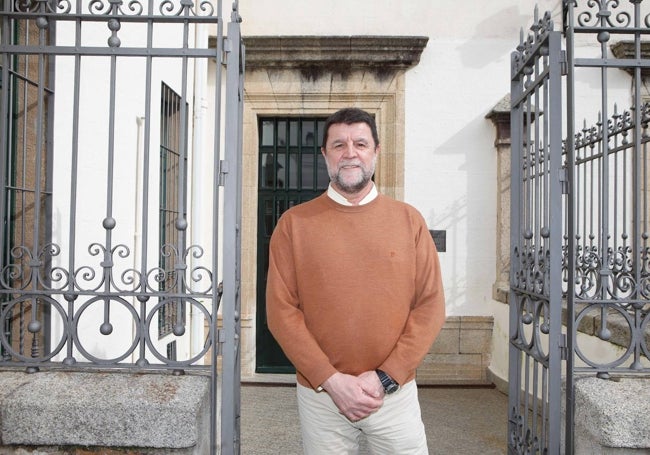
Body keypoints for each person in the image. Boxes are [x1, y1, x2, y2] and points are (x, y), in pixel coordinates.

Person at [266, 107, 446, 454]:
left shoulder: (409, 221)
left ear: (376, 151)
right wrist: (331, 381)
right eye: (339, 145)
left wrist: (385, 377)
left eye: (360, 143)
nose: (350, 153)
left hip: (394, 397)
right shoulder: (294, 224)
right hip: (322, 399)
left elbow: (430, 305)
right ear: (324, 155)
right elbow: (280, 312)